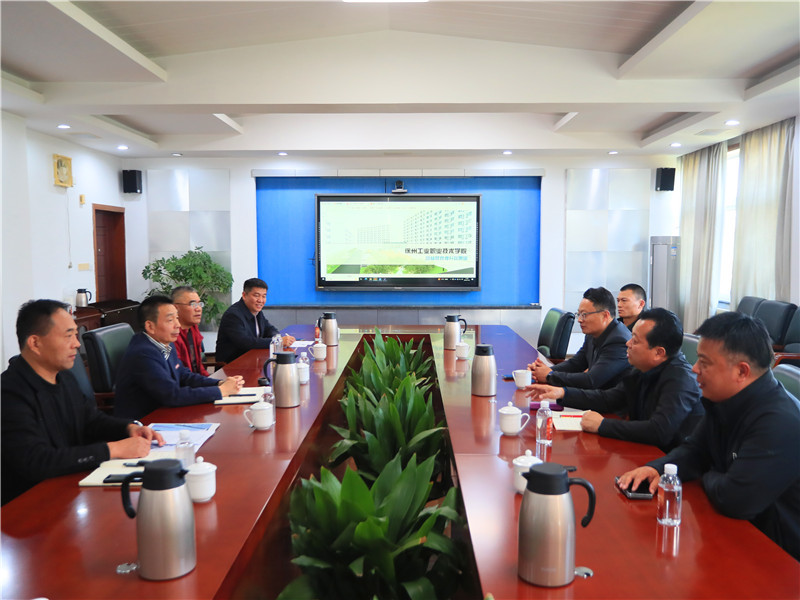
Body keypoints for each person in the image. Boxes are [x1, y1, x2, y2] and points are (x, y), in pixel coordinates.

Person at [618, 312, 800, 561]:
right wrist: (657, 468)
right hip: (735, 536)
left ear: (741, 371)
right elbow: (695, 450)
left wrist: (707, 473)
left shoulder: (779, 422)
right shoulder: (725, 399)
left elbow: (734, 499)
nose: (695, 369)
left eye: (704, 362)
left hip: (778, 556)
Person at [1, 300, 164, 505]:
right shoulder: (9, 393)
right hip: (29, 505)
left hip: (71, 491)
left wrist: (129, 428)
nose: (77, 344)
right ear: (35, 343)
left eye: (76, 335)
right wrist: (113, 449)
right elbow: (36, 461)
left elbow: (91, 421)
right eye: (68, 336)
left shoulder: (64, 378)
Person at [527, 308, 703, 451]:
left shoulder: (681, 381)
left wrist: (602, 425)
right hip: (642, 451)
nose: (628, 343)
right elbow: (609, 398)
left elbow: (659, 431)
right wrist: (562, 393)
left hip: (671, 467)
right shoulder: (642, 368)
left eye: (635, 340)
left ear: (658, 352)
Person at [114, 296, 243, 420]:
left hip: (165, 413)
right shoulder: (143, 353)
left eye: (177, 318)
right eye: (170, 320)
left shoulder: (165, 342)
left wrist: (219, 383)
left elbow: (183, 375)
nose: (178, 325)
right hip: (143, 423)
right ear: (150, 326)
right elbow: (172, 395)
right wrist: (220, 391)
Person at [529, 287, 631, 390]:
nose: (580, 320)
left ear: (605, 315)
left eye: (584, 314)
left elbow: (591, 381)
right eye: (579, 314)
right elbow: (576, 364)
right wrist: (543, 371)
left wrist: (549, 375)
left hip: (610, 398)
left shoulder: (618, 341)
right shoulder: (593, 332)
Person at [215, 278, 295, 363]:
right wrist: (278, 342)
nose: (260, 300)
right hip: (233, 365)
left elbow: (269, 329)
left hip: (252, 360)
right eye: (256, 295)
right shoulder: (233, 315)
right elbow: (246, 343)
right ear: (244, 295)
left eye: (264, 296)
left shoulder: (257, 312)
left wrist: (277, 338)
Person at [172, 285, 209, 375]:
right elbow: (180, 375)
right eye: (193, 304)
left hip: (197, 380)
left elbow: (199, 367)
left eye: (200, 304)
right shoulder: (171, 335)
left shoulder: (193, 329)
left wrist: (217, 381)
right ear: (176, 308)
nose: (198, 309)